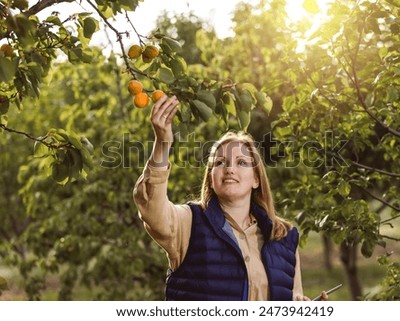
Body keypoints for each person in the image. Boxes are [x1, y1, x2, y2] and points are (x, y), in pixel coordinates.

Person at [133, 94, 327, 301]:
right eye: (220, 162)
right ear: (211, 178)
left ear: (256, 179)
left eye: (242, 163)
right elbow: (151, 207)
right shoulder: (189, 221)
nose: (230, 169)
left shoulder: (283, 236)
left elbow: (293, 299)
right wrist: (162, 144)